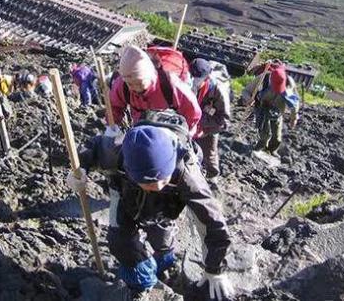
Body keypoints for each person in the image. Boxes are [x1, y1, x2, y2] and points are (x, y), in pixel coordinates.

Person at [67, 110, 234, 300]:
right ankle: (141, 282)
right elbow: (94, 145)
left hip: (167, 204)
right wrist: (80, 169)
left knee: (161, 239)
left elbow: (212, 221)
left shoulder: (188, 174)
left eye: (162, 180)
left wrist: (215, 269)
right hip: (126, 195)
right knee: (120, 241)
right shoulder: (115, 151)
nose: (157, 186)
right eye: (149, 183)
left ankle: (163, 260)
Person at [110, 46, 201, 135]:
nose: (133, 88)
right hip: (140, 128)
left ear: (149, 76)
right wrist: (113, 127)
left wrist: (182, 135)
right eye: (129, 83)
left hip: (168, 131)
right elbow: (114, 107)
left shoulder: (171, 86)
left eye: (139, 82)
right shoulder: (122, 85)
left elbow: (193, 113)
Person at [190, 59, 231, 186]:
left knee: (210, 151)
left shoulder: (219, 91)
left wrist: (203, 127)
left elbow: (224, 121)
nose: (194, 81)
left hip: (211, 121)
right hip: (192, 118)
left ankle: (212, 176)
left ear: (206, 78)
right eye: (192, 77)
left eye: (198, 79)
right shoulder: (187, 81)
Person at [243, 62, 299, 156]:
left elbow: (294, 104)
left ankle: (272, 150)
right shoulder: (262, 78)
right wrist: (249, 99)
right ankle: (260, 147)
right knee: (265, 133)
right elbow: (246, 91)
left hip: (278, 111)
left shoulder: (289, 84)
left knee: (277, 137)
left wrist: (293, 119)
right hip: (262, 107)